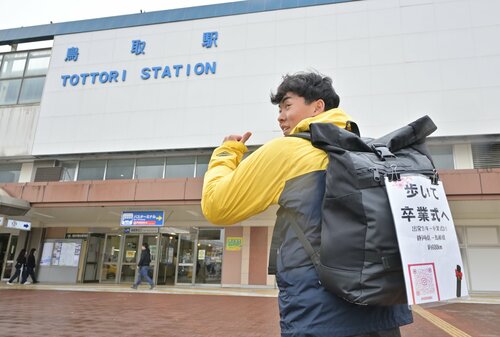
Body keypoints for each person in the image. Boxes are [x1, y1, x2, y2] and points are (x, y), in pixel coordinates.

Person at [201, 72, 413, 337]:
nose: (280, 116)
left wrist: (226, 153)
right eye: (278, 109)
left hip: (318, 314)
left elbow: (217, 206)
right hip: (381, 312)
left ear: (318, 106)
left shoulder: (287, 150)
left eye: (287, 106)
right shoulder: (366, 152)